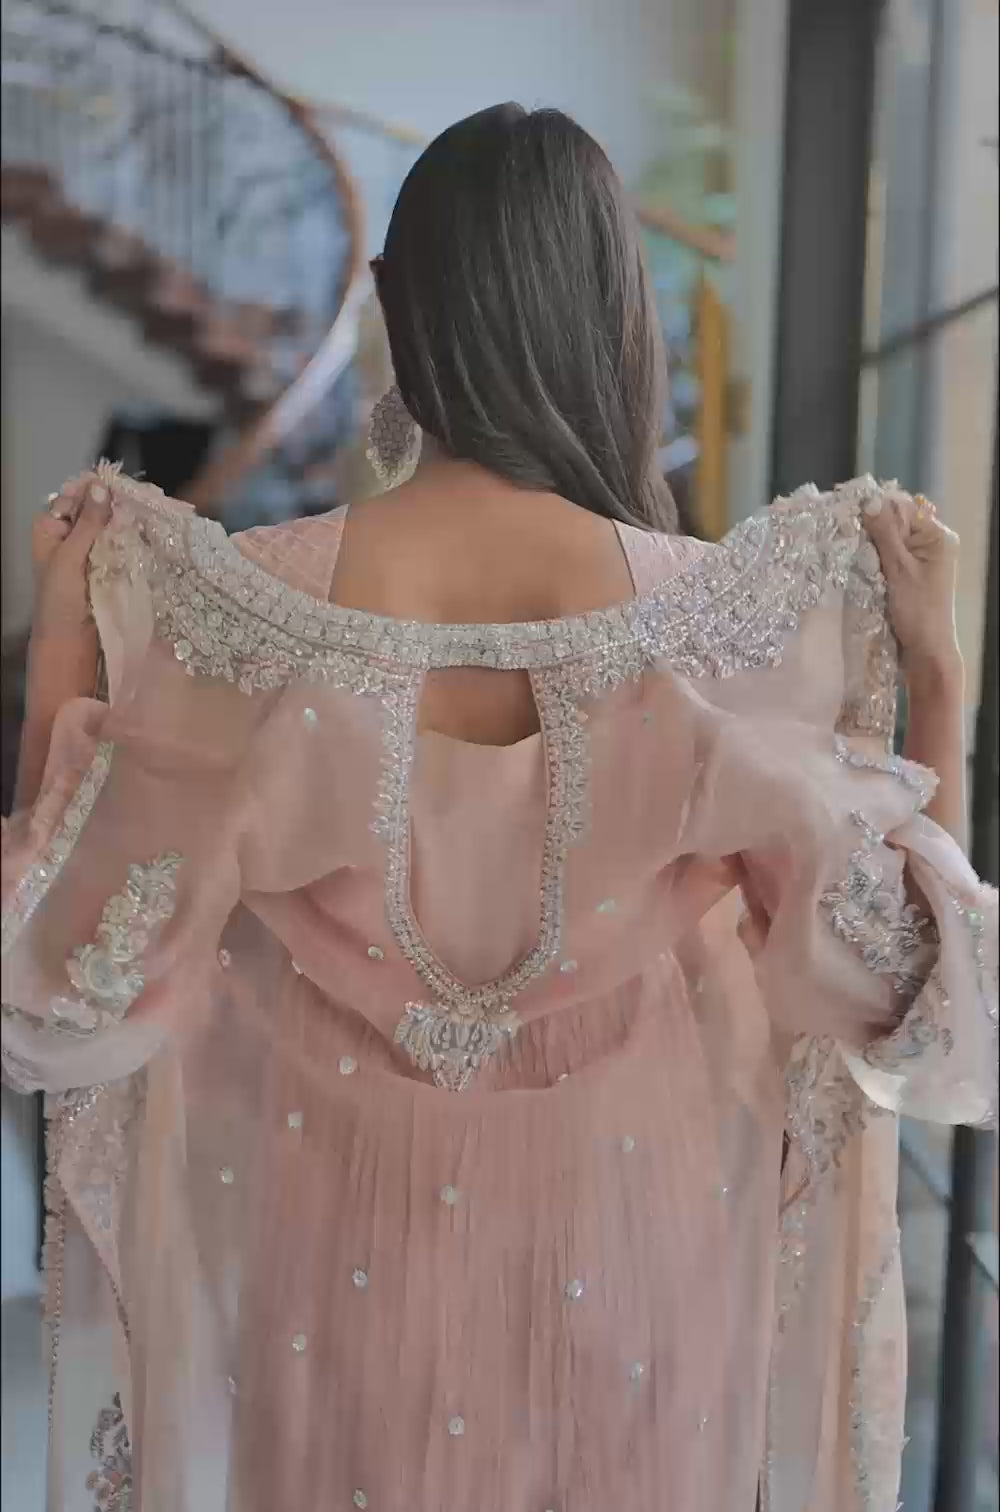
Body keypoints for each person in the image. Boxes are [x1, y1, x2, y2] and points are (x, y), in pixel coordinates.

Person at [1, 105, 995, 1512]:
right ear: (617, 317)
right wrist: (939, 681)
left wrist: (62, 652)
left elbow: (56, 987)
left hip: (328, 1253)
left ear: (392, 304)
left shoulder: (230, 609)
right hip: (644, 1257)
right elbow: (924, 999)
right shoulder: (727, 626)